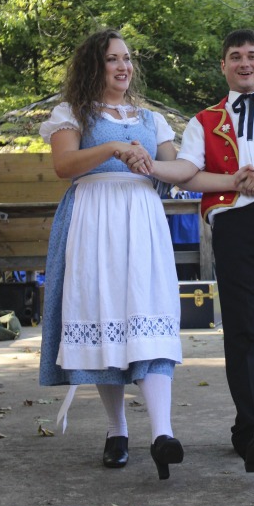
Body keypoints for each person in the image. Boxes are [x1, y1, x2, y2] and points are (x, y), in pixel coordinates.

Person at [121, 28, 254, 472]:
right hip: (234, 224)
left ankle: (250, 428)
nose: (244, 63)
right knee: (242, 326)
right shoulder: (203, 121)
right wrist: (157, 165)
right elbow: (190, 174)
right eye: (235, 56)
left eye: (252, 55)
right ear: (224, 66)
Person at [38, 28, 184, 480]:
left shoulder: (150, 118)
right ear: (93, 67)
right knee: (104, 315)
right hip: (92, 218)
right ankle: (117, 429)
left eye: (127, 58)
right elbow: (64, 166)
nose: (123, 66)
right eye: (112, 59)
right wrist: (114, 148)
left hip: (141, 217)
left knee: (151, 312)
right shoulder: (72, 112)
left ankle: (163, 435)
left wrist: (152, 165)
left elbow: (179, 168)